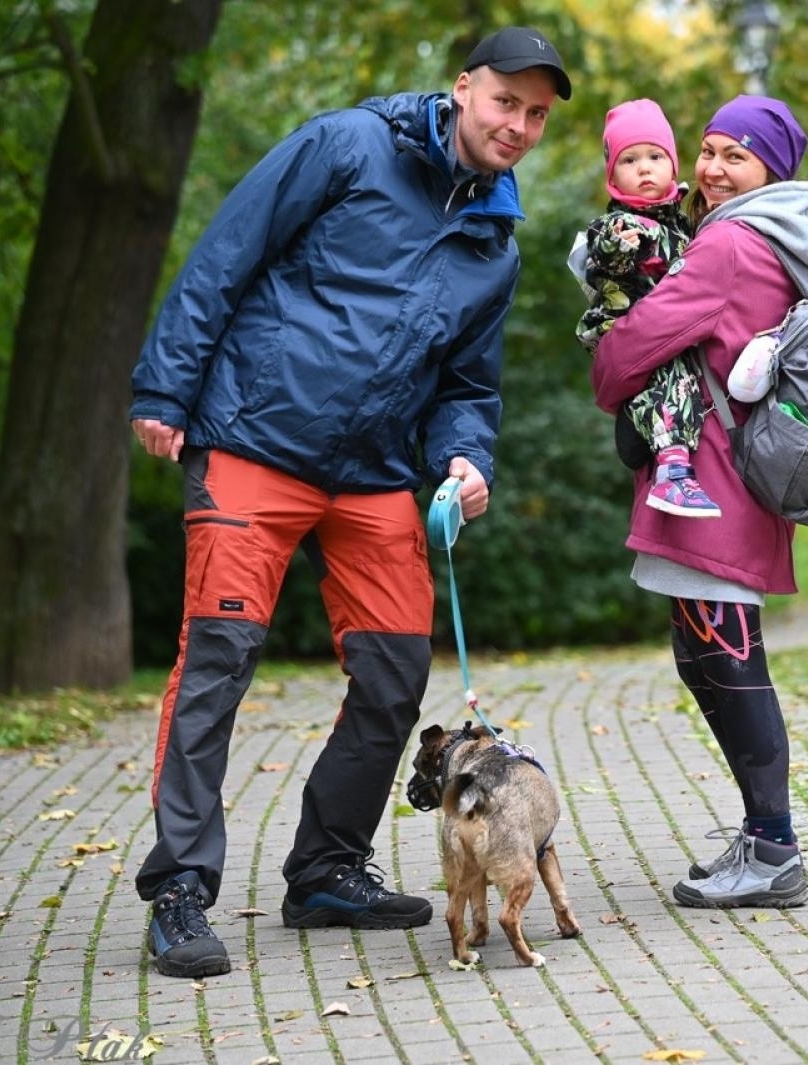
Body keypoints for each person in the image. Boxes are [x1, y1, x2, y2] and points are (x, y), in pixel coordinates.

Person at [126, 27, 572, 979]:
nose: (520, 125)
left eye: (537, 114)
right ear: (463, 89)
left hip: (372, 470)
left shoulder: (493, 245)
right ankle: (180, 887)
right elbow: (226, 254)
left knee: (395, 674)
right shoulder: (345, 146)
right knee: (218, 658)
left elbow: (468, 385)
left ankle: (327, 869)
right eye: (507, 102)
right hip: (253, 438)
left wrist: (463, 458)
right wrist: (165, 388)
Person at [590, 95, 808, 910]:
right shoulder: (787, 237)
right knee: (708, 658)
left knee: (726, 659)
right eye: (710, 150)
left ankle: (773, 846)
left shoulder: (726, 243)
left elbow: (628, 352)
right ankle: (766, 837)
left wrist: (609, 353)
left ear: (772, 169)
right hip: (740, 479)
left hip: (712, 482)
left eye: (737, 156)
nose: (713, 169)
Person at [571, 99, 720, 518]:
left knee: (683, 383)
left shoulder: (683, 223)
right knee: (670, 376)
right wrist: (619, 247)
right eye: (629, 160)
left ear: (673, 166)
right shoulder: (619, 224)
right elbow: (605, 253)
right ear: (612, 175)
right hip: (623, 326)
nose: (644, 169)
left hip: (664, 328)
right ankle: (673, 472)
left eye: (655, 157)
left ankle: (656, 445)